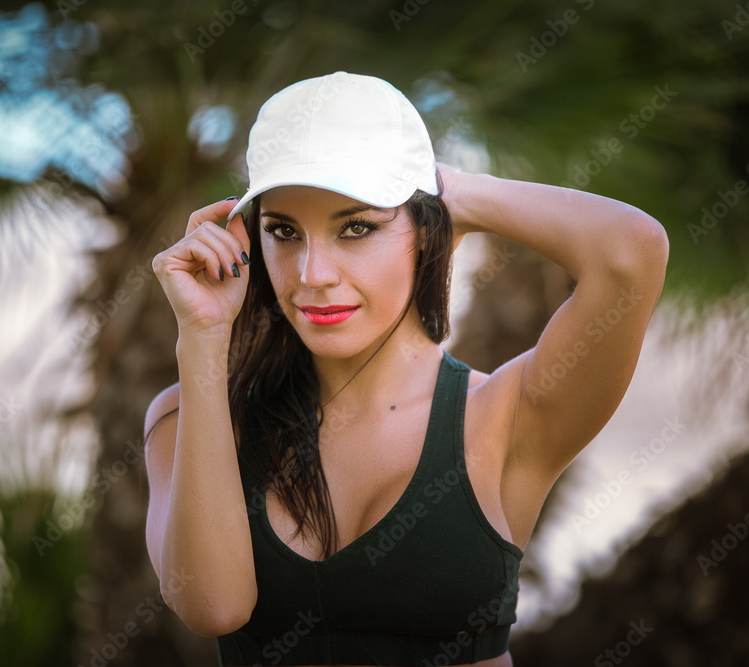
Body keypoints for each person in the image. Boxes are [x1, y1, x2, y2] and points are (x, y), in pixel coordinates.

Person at [142, 71, 669, 666]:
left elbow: (633, 249)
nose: (313, 274)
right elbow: (214, 608)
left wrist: (455, 193)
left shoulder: (507, 415)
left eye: (356, 227)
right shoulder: (189, 416)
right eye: (284, 231)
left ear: (424, 229)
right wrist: (203, 337)